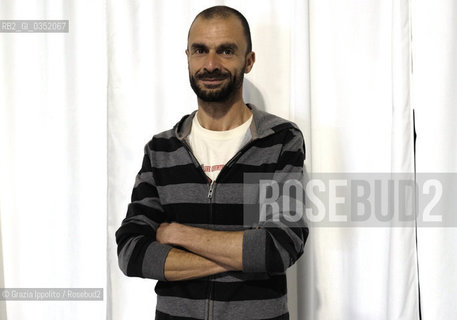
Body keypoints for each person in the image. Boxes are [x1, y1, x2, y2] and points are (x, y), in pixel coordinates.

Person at [115, 5, 308, 320]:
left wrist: (179, 234)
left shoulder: (280, 140)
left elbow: (280, 247)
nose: (211, 64)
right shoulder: (162, 149)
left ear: (249, 61)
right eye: (200, 50)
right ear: (188, 57)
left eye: (226, 51)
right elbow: (131, 252)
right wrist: (242, 255)